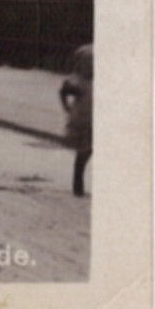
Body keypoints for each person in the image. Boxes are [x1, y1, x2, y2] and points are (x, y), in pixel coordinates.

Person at [59, 44, 93, 197]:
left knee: (86, 152)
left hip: (93, 117)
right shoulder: (79, 81)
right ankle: (77, 185)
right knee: (85, 152)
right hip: (84, 119)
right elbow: (64, 92)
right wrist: (67, 108)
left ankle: (78, 185)